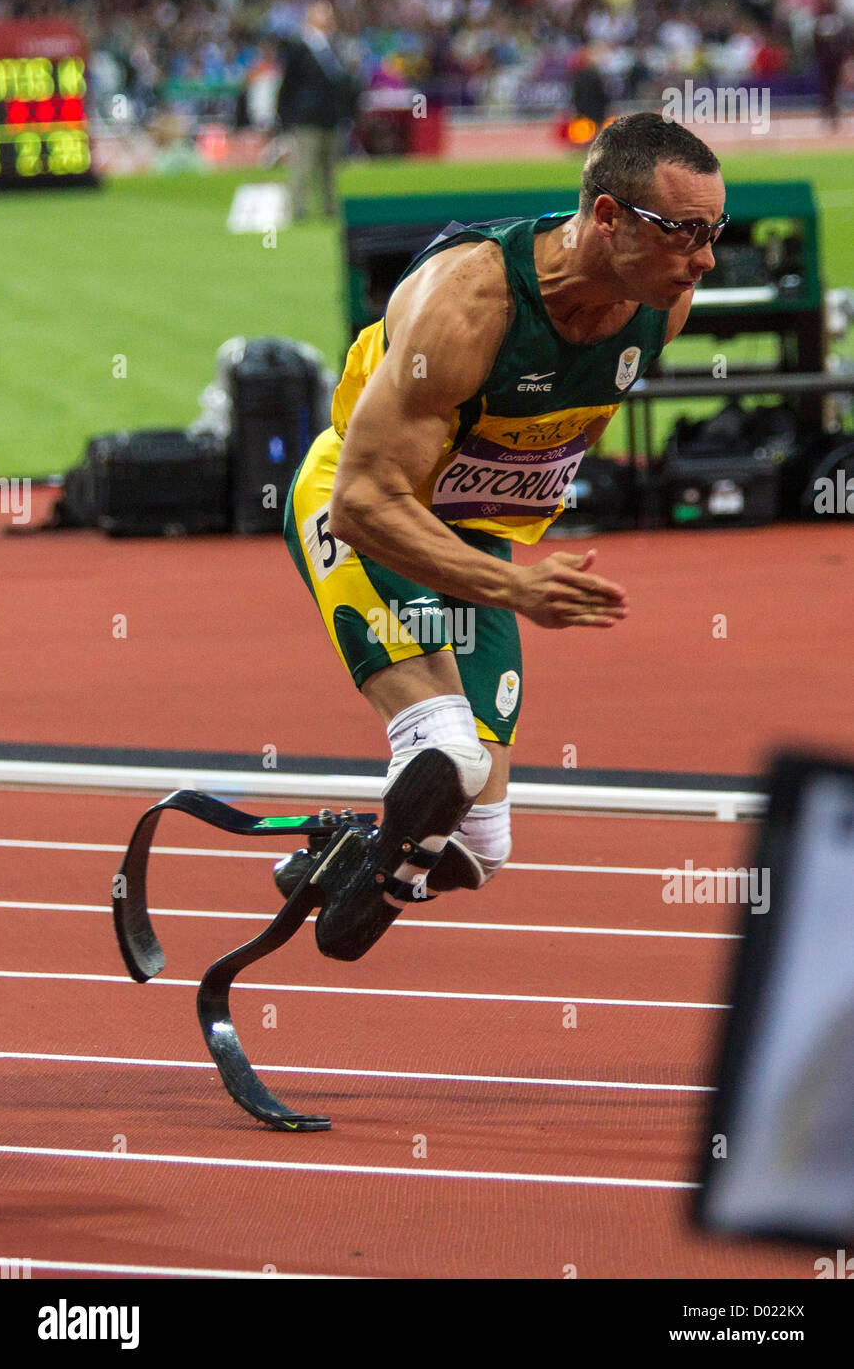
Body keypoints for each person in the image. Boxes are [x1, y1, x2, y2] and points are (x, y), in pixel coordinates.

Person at [283, 112, 727, 959]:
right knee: (448, 750)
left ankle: (346, 854)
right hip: (366, 506)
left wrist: (502, 564)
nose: (705, 259)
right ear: (607, 217)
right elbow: (364, 503)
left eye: (714, 233)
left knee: (482, 846)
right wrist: (519, 588)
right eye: (684, 233)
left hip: (472, 537)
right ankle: (383, 829)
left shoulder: (660, 307)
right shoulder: (470, 301)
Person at [275, 0, 358, 220]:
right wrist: (286, 116)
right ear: (310, 17)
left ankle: (330, 209)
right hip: (306, 118)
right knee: (303, 167)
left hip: (331, 116)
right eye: (322, 14)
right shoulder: (298, 47)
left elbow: (343, 83)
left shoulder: (335, 46)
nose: (328, 19)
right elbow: (288, 84)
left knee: (330, 168)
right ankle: (297, 211)